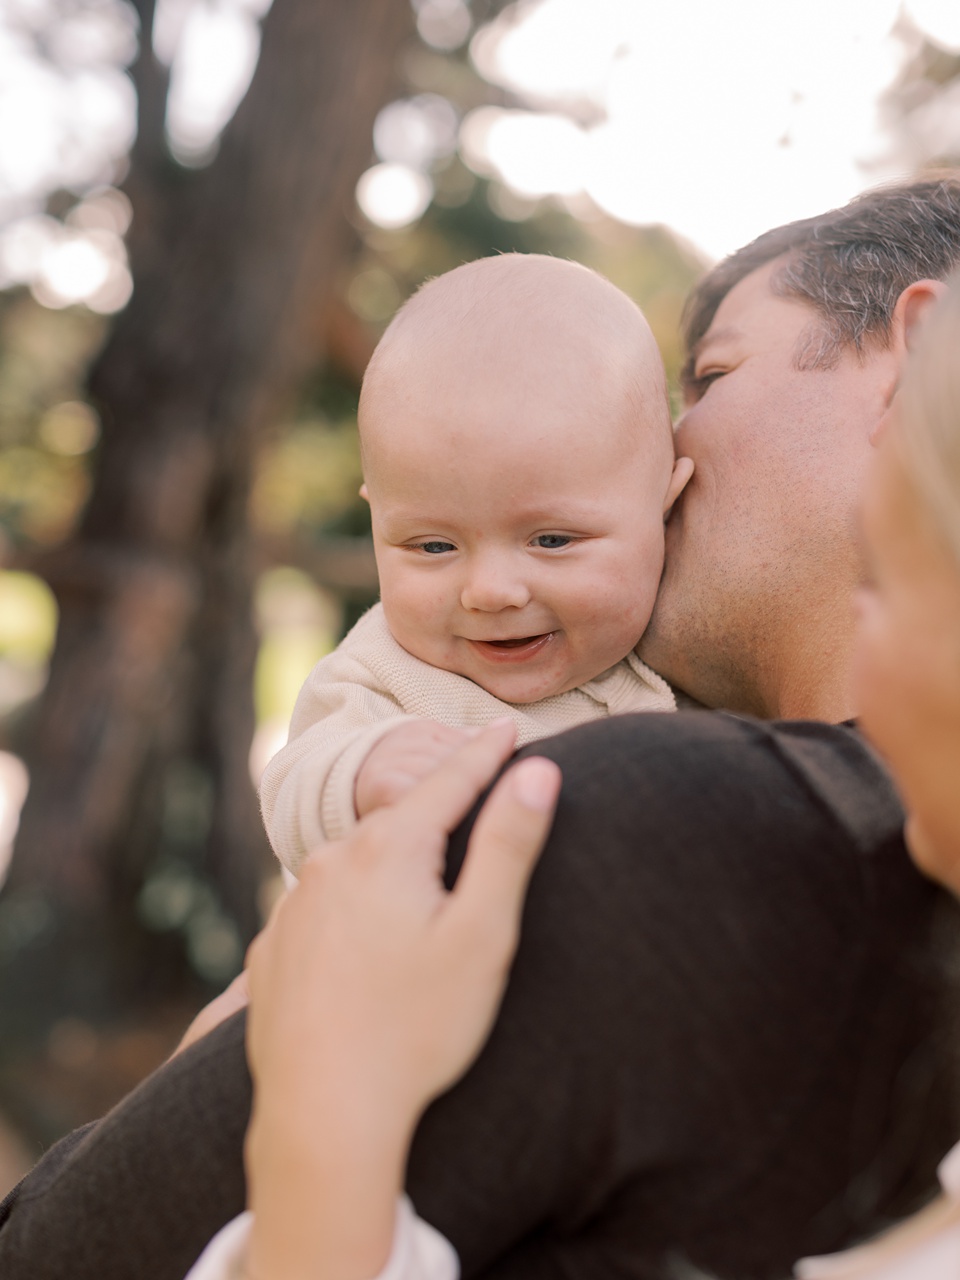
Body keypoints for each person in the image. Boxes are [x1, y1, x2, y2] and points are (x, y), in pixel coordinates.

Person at [3, 177, 960, 1280]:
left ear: (918, 357)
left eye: (708, 377)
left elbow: (58, 1253)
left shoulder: (638, 824)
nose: (669, 440)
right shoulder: (882, 866)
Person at [261, 254, 689, 873]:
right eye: (434, 546)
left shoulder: (687, 650)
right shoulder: (382, 676)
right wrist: (359, 777)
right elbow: (290, 788)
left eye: (552, 540)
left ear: (665, 509)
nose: (489, 592)